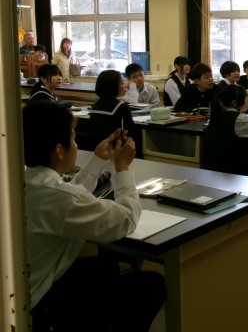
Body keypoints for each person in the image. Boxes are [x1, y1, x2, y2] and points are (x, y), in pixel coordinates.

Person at [23, 101, 165, 332]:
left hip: (23, 286)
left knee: (103, 265)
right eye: (73, 139)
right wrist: (121, 167)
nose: (76, 144)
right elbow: (126, 219)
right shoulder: (60, 198)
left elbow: (69, 194)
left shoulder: (26, 181)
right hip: (39, 305)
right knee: (151, 284)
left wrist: (98, 159)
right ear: (59, 150)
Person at [201, 84, 248, 174]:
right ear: (234, 103)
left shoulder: (218, 114)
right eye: (246, 98)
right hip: (229, 170)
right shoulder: (239, 119)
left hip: (212, 167)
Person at [87, 70, 136, 152]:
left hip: (96, 149)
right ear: (113, 86)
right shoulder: (122, 107)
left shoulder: (95, 105)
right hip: (114, 149)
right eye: (122, 83)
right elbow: (130, 130)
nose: (125, 86)